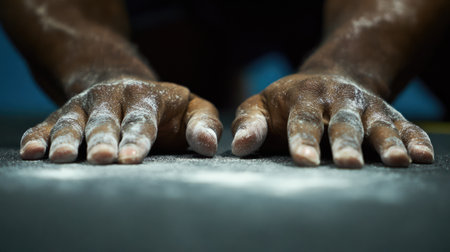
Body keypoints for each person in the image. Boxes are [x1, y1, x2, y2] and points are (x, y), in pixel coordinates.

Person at [0, 0, 448, 168]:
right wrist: (106, 74)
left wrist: (348, 72)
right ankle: (220, 73)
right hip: (176, 21)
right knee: (177, 88)